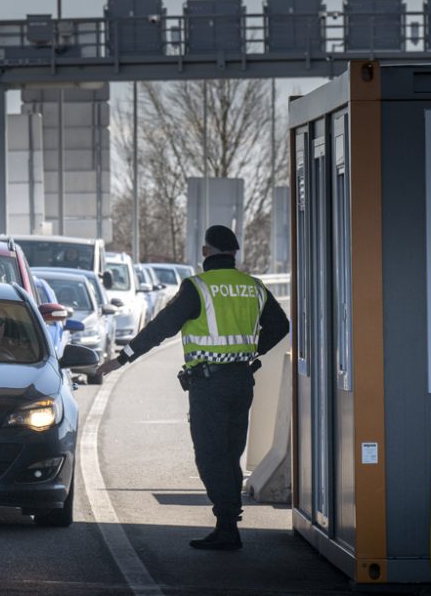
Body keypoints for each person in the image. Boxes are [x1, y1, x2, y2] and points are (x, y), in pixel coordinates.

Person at [95, 225, 289, 551]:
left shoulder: (196, 287)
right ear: (234, 252)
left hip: (209, 385)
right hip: (242, 381)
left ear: (205, 252)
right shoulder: (253, 287)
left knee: (210, 456)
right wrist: (253, 351)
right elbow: (281, 325)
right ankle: (227, 522)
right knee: (230, 453)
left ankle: (227, 523)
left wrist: (122, 358)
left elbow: (160, 328)